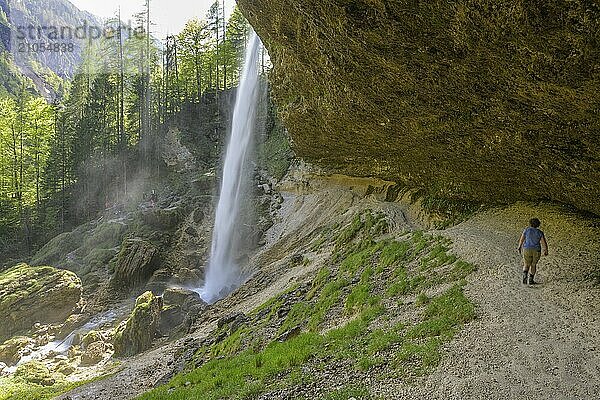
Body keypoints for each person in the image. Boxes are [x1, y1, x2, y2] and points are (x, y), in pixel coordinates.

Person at [517, 217, 548, 285]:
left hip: (527, 249)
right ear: (538, 225)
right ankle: (531, 280)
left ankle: (525, 275)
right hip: (536, 250)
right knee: (533, 265)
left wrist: (519, 247)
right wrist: (545, 250)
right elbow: (543, 243)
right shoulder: (540, 232)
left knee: (526, 264)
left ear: (530, 223)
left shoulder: (526, 230)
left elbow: (522, 239)